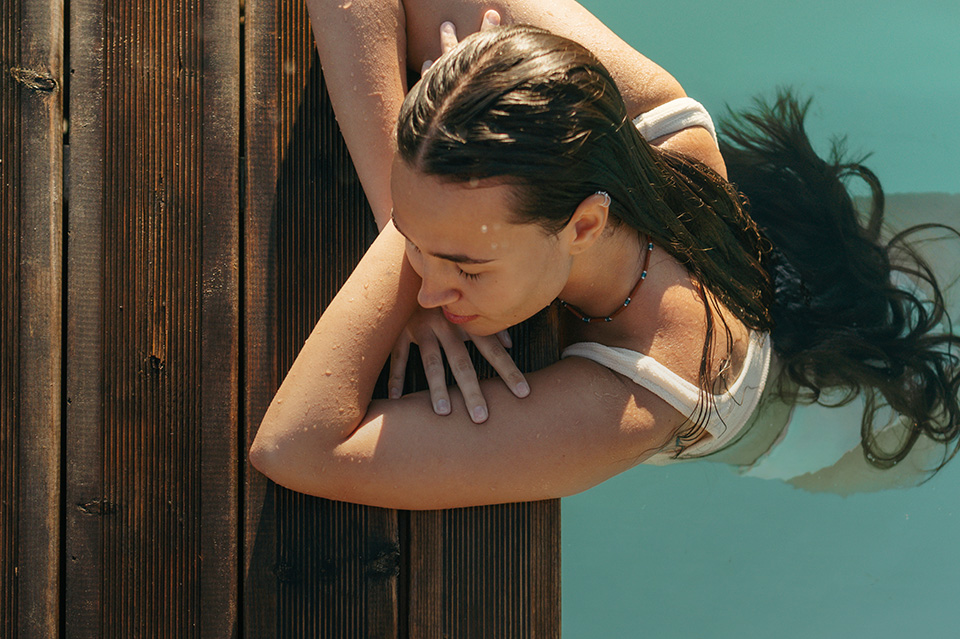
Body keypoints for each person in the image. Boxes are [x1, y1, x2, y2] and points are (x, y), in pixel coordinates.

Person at [249, 1, 960, 507]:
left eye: (464, 265)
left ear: (584, 226)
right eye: (424, 259)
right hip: (799, 259)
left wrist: (410, 244)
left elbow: (294, 448)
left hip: (802, 423)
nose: (430, 290)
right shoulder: (647, 120)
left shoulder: (635, 401)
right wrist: (412, 200)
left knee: (918, 429)